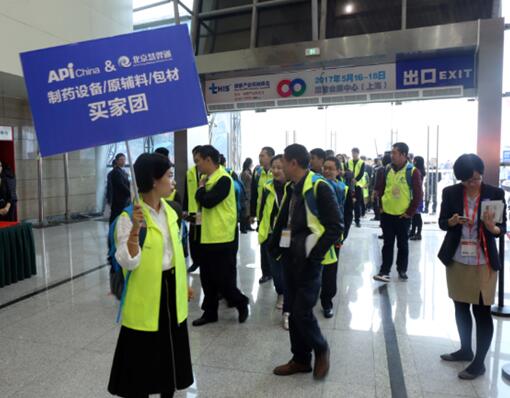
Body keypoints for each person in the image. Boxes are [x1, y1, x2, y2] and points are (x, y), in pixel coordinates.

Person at [108, 153, 193, 398]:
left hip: (171, 292)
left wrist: (184, 284)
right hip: (145, 300)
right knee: (142, 367)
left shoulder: (172, 211)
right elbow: (127, 261)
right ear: (154, 181)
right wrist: (136, 229)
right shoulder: (128, 217)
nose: (173, 181)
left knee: (171, 360)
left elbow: (176, 253)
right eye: (169, 176)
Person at [269, 144, 341, 380]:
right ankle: (300, 359)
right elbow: (284, 222)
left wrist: (316, 255)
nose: (279, 168)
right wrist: (274, 248)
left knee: (301, 312)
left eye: (283, 163)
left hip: (309, 261)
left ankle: (321, 349)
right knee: (292, 308)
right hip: (291, 257)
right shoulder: (292, 188)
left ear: (293, 163)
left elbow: (335, 227)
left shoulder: (319, 187)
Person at [437, 154, 506, 380]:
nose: (472, 184)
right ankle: (465, 349)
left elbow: (501, 228)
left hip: (483, 261)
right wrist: (452, 221)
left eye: (476, 179)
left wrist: (491, 227)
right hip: (457, 258)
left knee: (482, 310)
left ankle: (479, 363)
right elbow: (442, 222)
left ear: (481, 174)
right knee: (460, 306)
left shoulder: (495, 193)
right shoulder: (451, 192)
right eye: (467, 181)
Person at [192, 145, 249, 326]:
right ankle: (210, 313)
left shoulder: (223, 179)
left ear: (208, 160)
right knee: (207, 279)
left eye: (198, 161)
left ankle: (241, 302)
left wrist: (200, 189)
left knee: (223, 280)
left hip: (222, 238)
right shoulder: (208, 179)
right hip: (207, 236)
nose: (197, 165)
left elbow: (208, 202)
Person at [373, 143, 423, 282]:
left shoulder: (412, 172)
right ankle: (384, 271)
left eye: (394, 153)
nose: (391, 155)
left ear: (403, 155)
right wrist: (381, 207)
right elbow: (381, 189)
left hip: (403, 216)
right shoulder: (386, 169)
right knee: (387, 244)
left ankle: (402, 269)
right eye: (392, 152)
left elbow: (419, 195)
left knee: (403, 244)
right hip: (387, 214)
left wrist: (410, 212)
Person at [258, 155, 290, 329]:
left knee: (286, 267)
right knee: (275, 269)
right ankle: (280, 292)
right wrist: (260, 227)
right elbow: (262, 207)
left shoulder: (292, 187)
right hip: (269, 232)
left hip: (286, 234)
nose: (276, 171)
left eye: (280, 167)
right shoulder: (267, 186)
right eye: (274, 167)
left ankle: (287, 301)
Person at [321, 156, 346, 318]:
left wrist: (341, 235)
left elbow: (346, 215)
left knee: (330, 270)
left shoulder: (343, 189)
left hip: (334, 236)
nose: (327, 171)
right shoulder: (318, 185)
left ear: (338, 171)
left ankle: (327, 301)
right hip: (317, 234)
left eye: (331, 168)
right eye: (325, 168)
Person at [251, 146, 275, 284]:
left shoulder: (278, 171)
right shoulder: (258, 172)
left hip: (274, 216)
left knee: (273, 244)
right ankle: (266, 272)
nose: (260, 158)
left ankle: (275, 271)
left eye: (263, 156)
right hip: (261, 216)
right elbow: (254, 193)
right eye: (259, 156)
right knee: (263, 243)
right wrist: (252, 213)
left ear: (271, 157)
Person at [183, 146, 202, 273]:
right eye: (194, 155)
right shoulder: (189, 172)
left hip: (206, 210)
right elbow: (186, 192)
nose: (195, 158)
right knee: (193, 237)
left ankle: (204, 260)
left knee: (203, 236)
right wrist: (184, 208)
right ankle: (195, 262)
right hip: (194, 210)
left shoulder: (208, 173)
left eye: (198, 156)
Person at [107, 153, 131, 224]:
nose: (123, 161)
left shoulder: (122, 171)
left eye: (124, 159)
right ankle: (112, 231)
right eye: (121, 160)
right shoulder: (116, 172)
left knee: (119, 216)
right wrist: (130, 193)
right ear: (116, 161)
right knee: (116, 216)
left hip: (123, 199)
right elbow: (121, 185)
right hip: (118, 199)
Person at [347, 148, 365, 227]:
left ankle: (357, 220)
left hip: (358, 185)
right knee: (349, 202)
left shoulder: (362, 162)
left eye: (355, 153)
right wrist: (350, 179)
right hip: (349, 184)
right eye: (352, 153)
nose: (353, 154)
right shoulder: (349, 162)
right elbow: (347, 171)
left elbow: (361, 173)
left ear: (358, 153)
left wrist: (356, 179)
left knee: (357, 203)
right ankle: (349, 219)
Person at [410, 156, 426, 241]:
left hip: (417, 194)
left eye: (414, 160)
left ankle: (418, 233)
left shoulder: (417, 171)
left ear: (416, 162)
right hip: (418, 194)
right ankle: (413, 231)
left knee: (417, 215)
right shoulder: (420, 171)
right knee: (415, 214)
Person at [240, 157, 254, 233]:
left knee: (248, 211)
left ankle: (248, 226)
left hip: (250, 194)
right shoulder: (245, 173)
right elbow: (243, 183)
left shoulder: (249, 172)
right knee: (245, 211)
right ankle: (243, 227)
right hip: (246, 194)